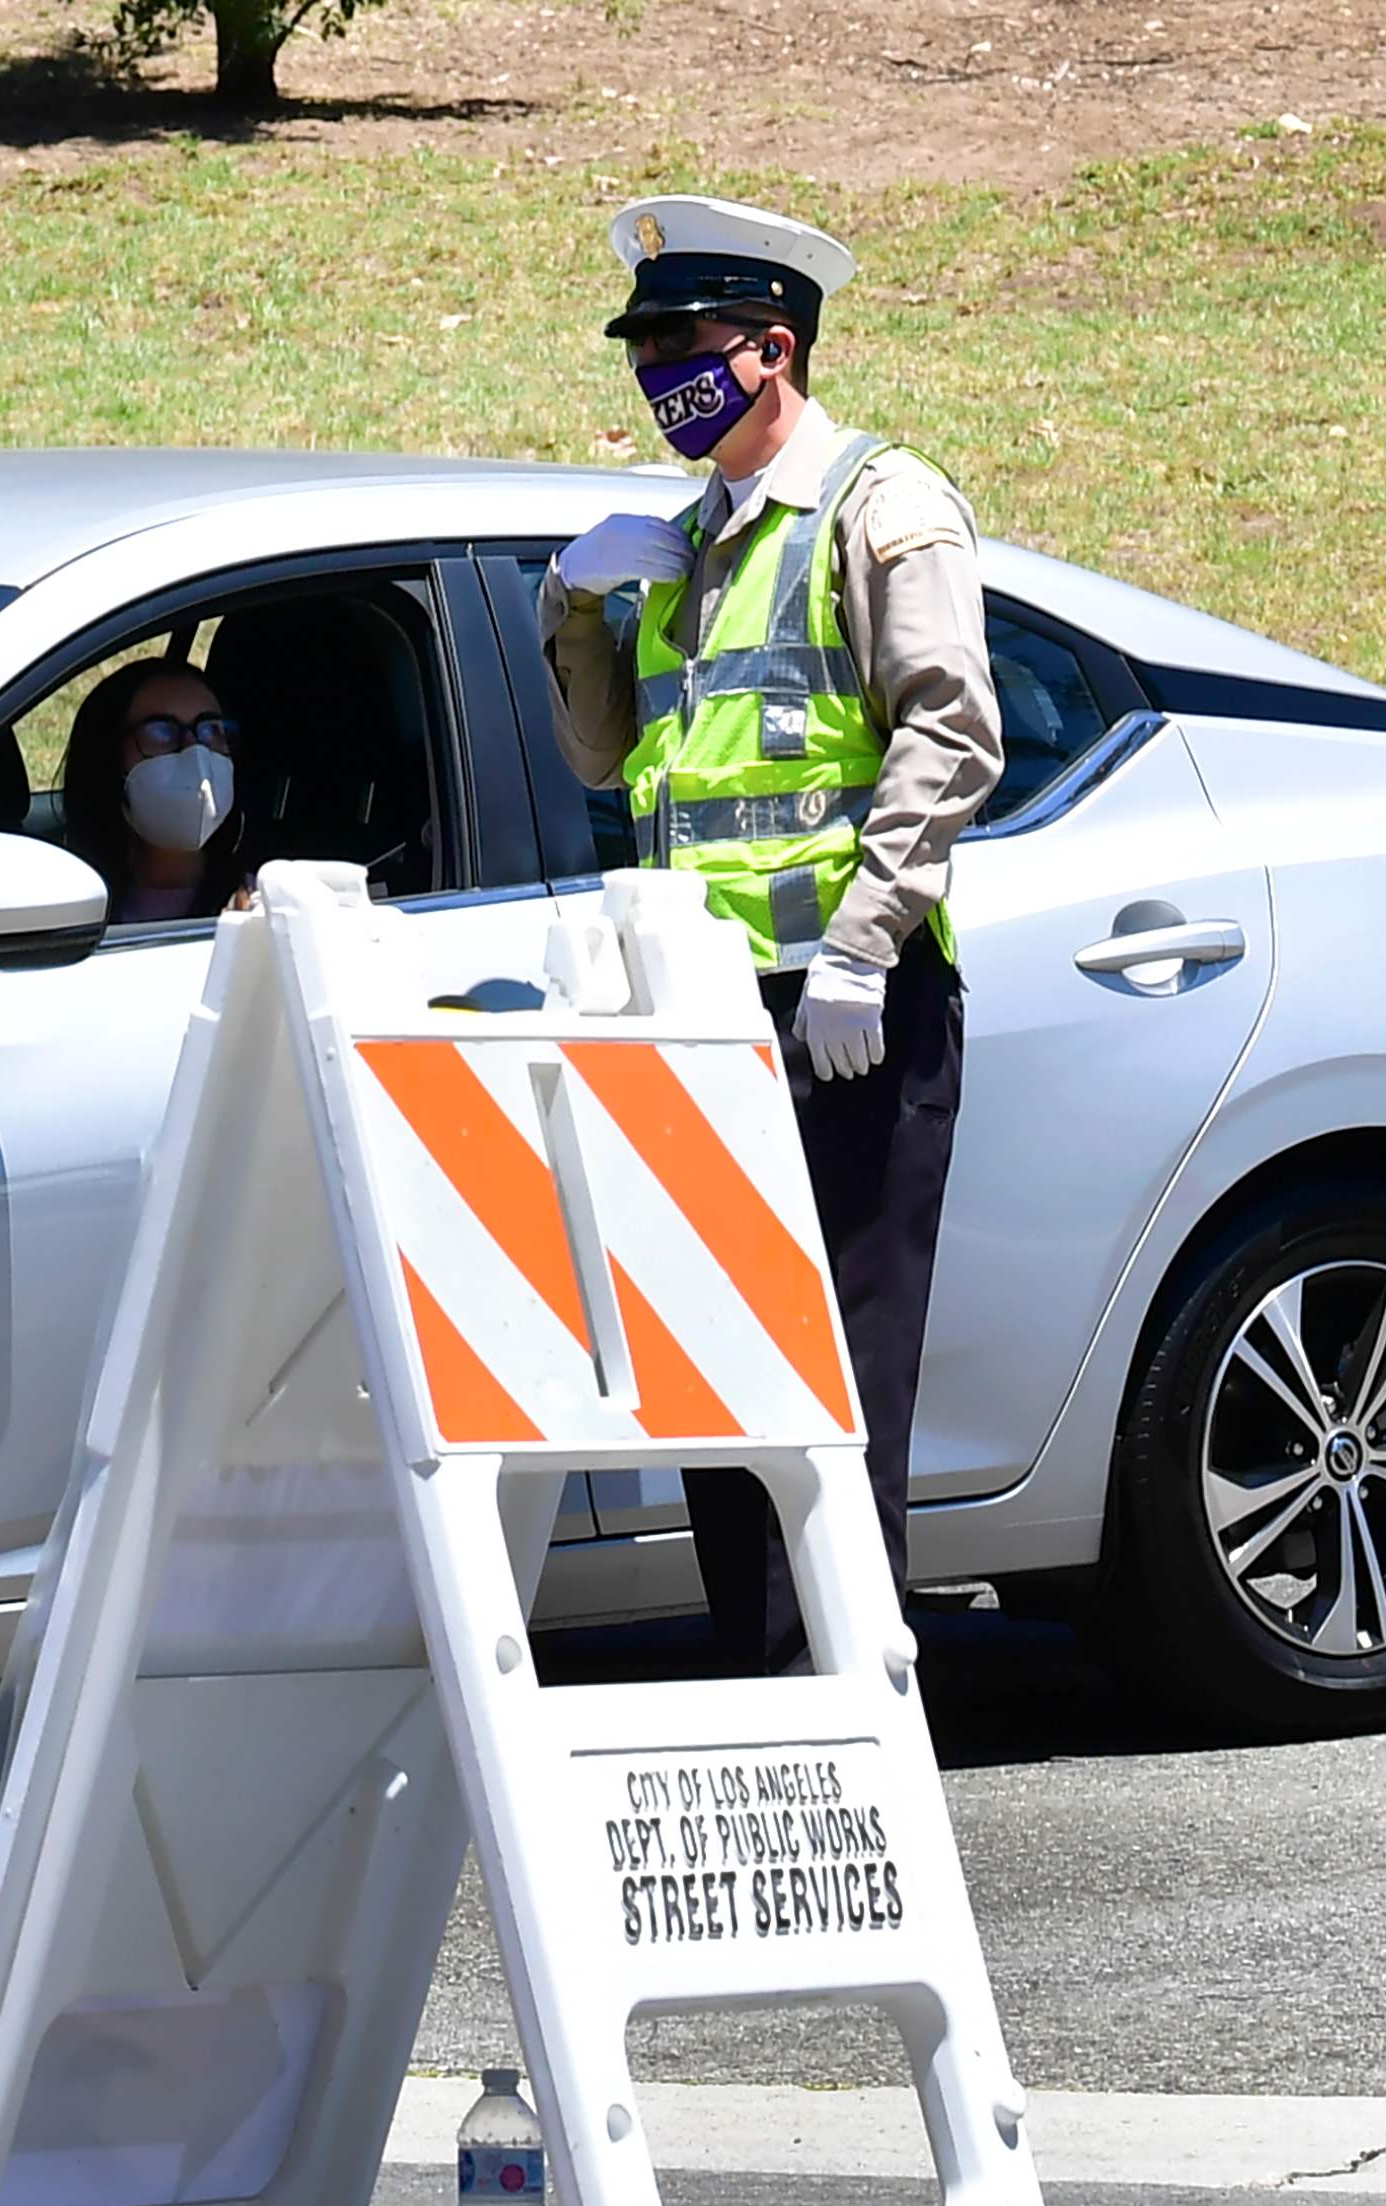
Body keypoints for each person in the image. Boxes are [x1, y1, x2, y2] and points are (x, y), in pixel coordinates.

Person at [540, 194, 1004, 1678]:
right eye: (641, 349)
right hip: (701, 1017)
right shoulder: (689, 538)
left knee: (843, 1387)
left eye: (682, 342)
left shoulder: (879, 506)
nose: (656, 371)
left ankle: (849, 1707)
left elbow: (953, 731)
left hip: (844, 1015)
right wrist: (573, 602)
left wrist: (865, 945)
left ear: (774, 350)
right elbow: (608, 758)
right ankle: (761, 1690)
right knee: (718, 1386)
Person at [57, 657, 247, 925]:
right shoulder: (60, 902)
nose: (195, 752)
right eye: (162, 732)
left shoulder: (263, 906)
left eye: (212, 731)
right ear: (108, 756)